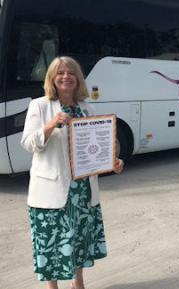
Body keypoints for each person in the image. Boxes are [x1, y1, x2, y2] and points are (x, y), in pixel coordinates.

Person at [21, 56, 124, 289]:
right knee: (51, 242)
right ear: (52, 78)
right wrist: (51, 125)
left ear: (78, 78)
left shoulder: (86, 107)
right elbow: (28, 143)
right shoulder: (40, 106)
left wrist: (112, 162)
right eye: (60, 73)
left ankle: (78, 283)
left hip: (82, 189)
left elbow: (97, 145)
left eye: (71, 73)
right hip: (52, 189)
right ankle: (52, 287)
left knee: (78, 238)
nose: (66, 76)